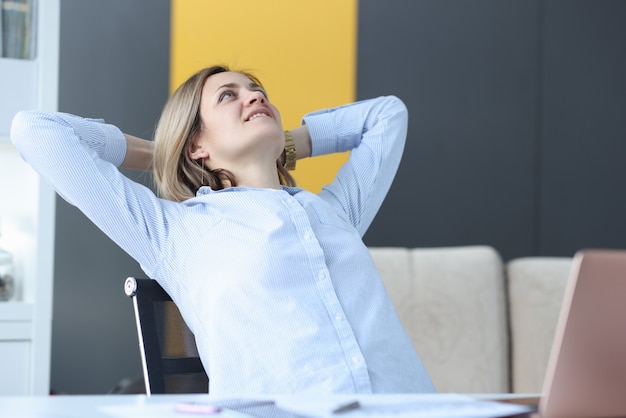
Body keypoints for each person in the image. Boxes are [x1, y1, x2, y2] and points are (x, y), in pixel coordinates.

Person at [11, 65, 436, 395]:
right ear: (197, 144)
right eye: (228, 95)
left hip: (412, 405)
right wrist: (164, 154)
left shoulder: (335, 213)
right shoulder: (175, 233)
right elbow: (36, 132)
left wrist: (287, 144)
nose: (253, 96)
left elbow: (387, 115)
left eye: (258, 93)